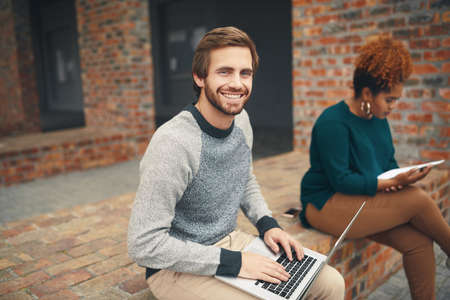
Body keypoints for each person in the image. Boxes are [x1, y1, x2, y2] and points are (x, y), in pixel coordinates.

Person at [128, 26, 345, 300]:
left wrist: (268, 225)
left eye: (245, 73)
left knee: (330, 283)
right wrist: (237, 263)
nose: (237, 83)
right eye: (224, 72)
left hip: (229, 243)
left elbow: (244, 177)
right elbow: (144, 245)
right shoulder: (173, 143)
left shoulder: (241, 122)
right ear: (199, 77)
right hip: (174, 267)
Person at [299, 36, 450, 300]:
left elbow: (387, 164)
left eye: (396, 100)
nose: (394, 107)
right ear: (367, 93)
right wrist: (388, 184)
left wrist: (403, 177)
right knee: (418, 200)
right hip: (326, 204)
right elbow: (341, 180)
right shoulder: (333, 122)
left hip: (361, 201)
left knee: (419, 243)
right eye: (390, 100)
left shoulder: (378, 119)